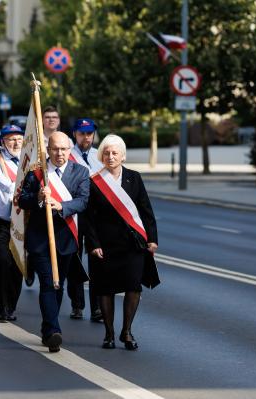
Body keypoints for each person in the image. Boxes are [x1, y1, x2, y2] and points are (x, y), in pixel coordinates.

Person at [85, 134, 158, 350]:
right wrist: (93, 244)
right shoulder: (95, 182)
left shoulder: (134, 178)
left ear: (123, 156)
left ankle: (126, 331)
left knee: (133, 286)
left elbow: (146, 210)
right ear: (101, 156)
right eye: (106, 153)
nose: (110, 156)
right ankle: (109, 333)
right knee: (105, 289)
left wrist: (152, 239)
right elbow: (88, 218)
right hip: (105, 244)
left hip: (132, 244)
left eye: (114, 153)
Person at [18, 131, 89, 353]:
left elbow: (83, 201)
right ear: (48, 150)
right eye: (55, 149)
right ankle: (52, 331)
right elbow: (22, 199)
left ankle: (47, 325)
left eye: (64, 149)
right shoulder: (37, 173)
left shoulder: (81, 172)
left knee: (59, 285)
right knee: (48, 283)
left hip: (66, 238)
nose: (60, 153)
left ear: (70, 149)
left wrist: (62, 206)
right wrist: (38, 197)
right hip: (40, 239)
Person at [0, 124, 24, 322]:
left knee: (18, 264)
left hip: (21, 220)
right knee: (2, 261)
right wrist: (21, 190)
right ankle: (2, 306)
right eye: (11, 139)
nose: (16, 143)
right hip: (0, 220)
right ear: (3, 142)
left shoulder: (28, 161)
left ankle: (11, 305)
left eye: (19, 138)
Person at [67, 118, 104, 321]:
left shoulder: (100, 155)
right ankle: (77, 304)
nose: (86, 137)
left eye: (89, 133)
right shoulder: (68, 155)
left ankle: (97, 307)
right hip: (74, 211)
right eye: (82, 133)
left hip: (94, 213)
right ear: (75, 134)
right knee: (75, 258)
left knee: (96, 258)